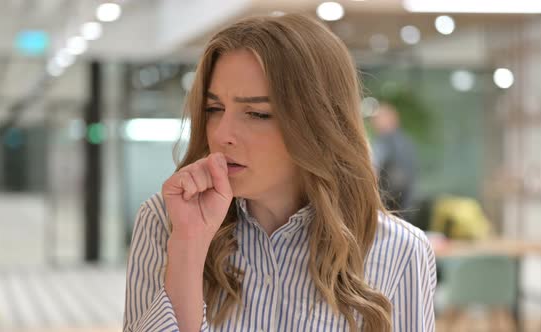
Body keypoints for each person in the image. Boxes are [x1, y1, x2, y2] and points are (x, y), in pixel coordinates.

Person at [123, 14, 436, 332]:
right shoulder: (165, 222)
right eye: (214, 109)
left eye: (257, 113)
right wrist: (188, 247)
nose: (222, 133)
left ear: (319, 123)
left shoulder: (401, 250)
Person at [367, 103, 417, 218]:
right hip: (406, 204)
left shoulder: (384, 141)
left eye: (377, 118)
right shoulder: (407, 142)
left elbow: (372, 169)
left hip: (386, 207)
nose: (373, 122)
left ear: (391, 119)